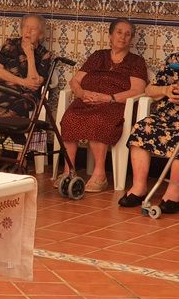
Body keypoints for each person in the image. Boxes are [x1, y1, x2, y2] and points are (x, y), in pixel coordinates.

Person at [58, 18, 147, 192]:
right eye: (119, 32)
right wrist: (82, 93)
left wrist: (108, 98)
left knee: (98, 120)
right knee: (69, 118)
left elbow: (138, 89)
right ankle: (69, 170)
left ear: (131, 39)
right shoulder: (98, 56)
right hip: (87, 100)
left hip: (115, 105)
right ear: (110, 36)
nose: (123, 37)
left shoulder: (136, 61)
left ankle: (100, 174)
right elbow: (75, 81)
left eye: (128, 34)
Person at [119, 52, 179, 213]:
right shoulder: (174, 60)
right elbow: (149, 90)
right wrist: (166, 90)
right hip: (167, 117)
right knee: (142, 128)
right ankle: (139, 187)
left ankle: (174, 191)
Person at [0, 14, 52, 119]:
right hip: (0, 87)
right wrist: (23, 82)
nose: (28, 31)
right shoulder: (10, 44)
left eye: (33, 28)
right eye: (26, 27)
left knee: (18, 106)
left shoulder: (44, 54)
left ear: (40, 34)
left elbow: (35, 83)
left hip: (23, 94)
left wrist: (30, 55)